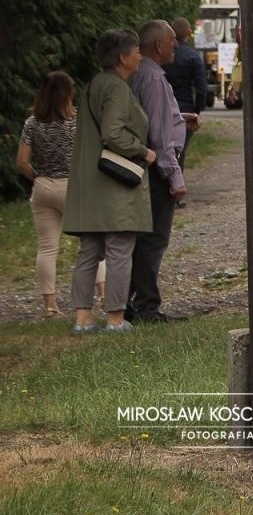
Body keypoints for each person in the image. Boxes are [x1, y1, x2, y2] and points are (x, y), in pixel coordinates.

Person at [62, 29, 156, 335]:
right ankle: (115, 318)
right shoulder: (116, 88)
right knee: (119, 249)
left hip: (89, 181)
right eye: (136, 51)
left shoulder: (92, 85)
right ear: (122, 58)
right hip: (114, 183)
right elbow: (112, 133)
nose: (140, 55)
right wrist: (144, 151)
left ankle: (82, 319)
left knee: (90, 250)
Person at [16, 72, 103, 317]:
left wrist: (38, 177)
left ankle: (50, 306)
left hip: (43, 187)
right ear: (68, 92)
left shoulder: (32, 122)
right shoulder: (78, 120)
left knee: (47, 248)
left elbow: (22, 162)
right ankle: (105, 294)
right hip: (74, 187)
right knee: (92, 243)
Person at [127, 20, 190, 324]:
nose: (176, 44)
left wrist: (180, 118)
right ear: (157, 45)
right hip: (155, 171)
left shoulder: (143, 75)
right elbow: (160, 137)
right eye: (172, 40)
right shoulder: (152, 79)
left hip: (145, 168)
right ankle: (146, 307)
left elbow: (160, 120)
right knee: (153, 239)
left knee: (141, 238)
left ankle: (129, 303)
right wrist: (175, 178)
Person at [163, 17, 208, 156]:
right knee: (179, 153)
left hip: (163, 107)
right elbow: (201, 88)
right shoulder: (193, 57)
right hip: (185, 108)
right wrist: (197, 111)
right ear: (189, 32)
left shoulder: (162, 55)